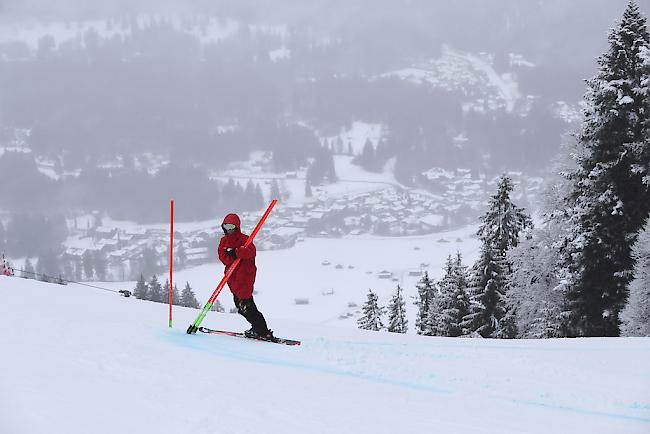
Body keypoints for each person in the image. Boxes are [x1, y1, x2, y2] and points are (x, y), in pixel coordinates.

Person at [218, 213, 275, 340]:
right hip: (232, 279)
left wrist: (239, 251)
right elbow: (223, 257)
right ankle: (258, 329)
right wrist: (233, 255)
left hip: (244, 278)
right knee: (240, 308)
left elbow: (251, 253)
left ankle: (262, 331)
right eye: (226, 226)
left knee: (248, 308)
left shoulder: (245, 240)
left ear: (237, 227)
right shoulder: (224, 241)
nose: (229, 229)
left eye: (231, 226)